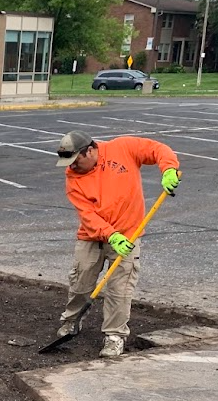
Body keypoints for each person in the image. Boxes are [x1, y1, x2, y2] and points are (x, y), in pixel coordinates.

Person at [54, 130, 181, 357]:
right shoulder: (73, 177)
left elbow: (158, 149)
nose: (72, 166)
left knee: (119, 289)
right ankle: (72, 320)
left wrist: (169, 168)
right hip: (92, 236)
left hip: (129, 235)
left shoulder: (123, 148)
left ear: (90, 150)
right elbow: (88, 215)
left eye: (76, 160)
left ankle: (114, 336)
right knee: (80, 282)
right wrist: (110, 235)